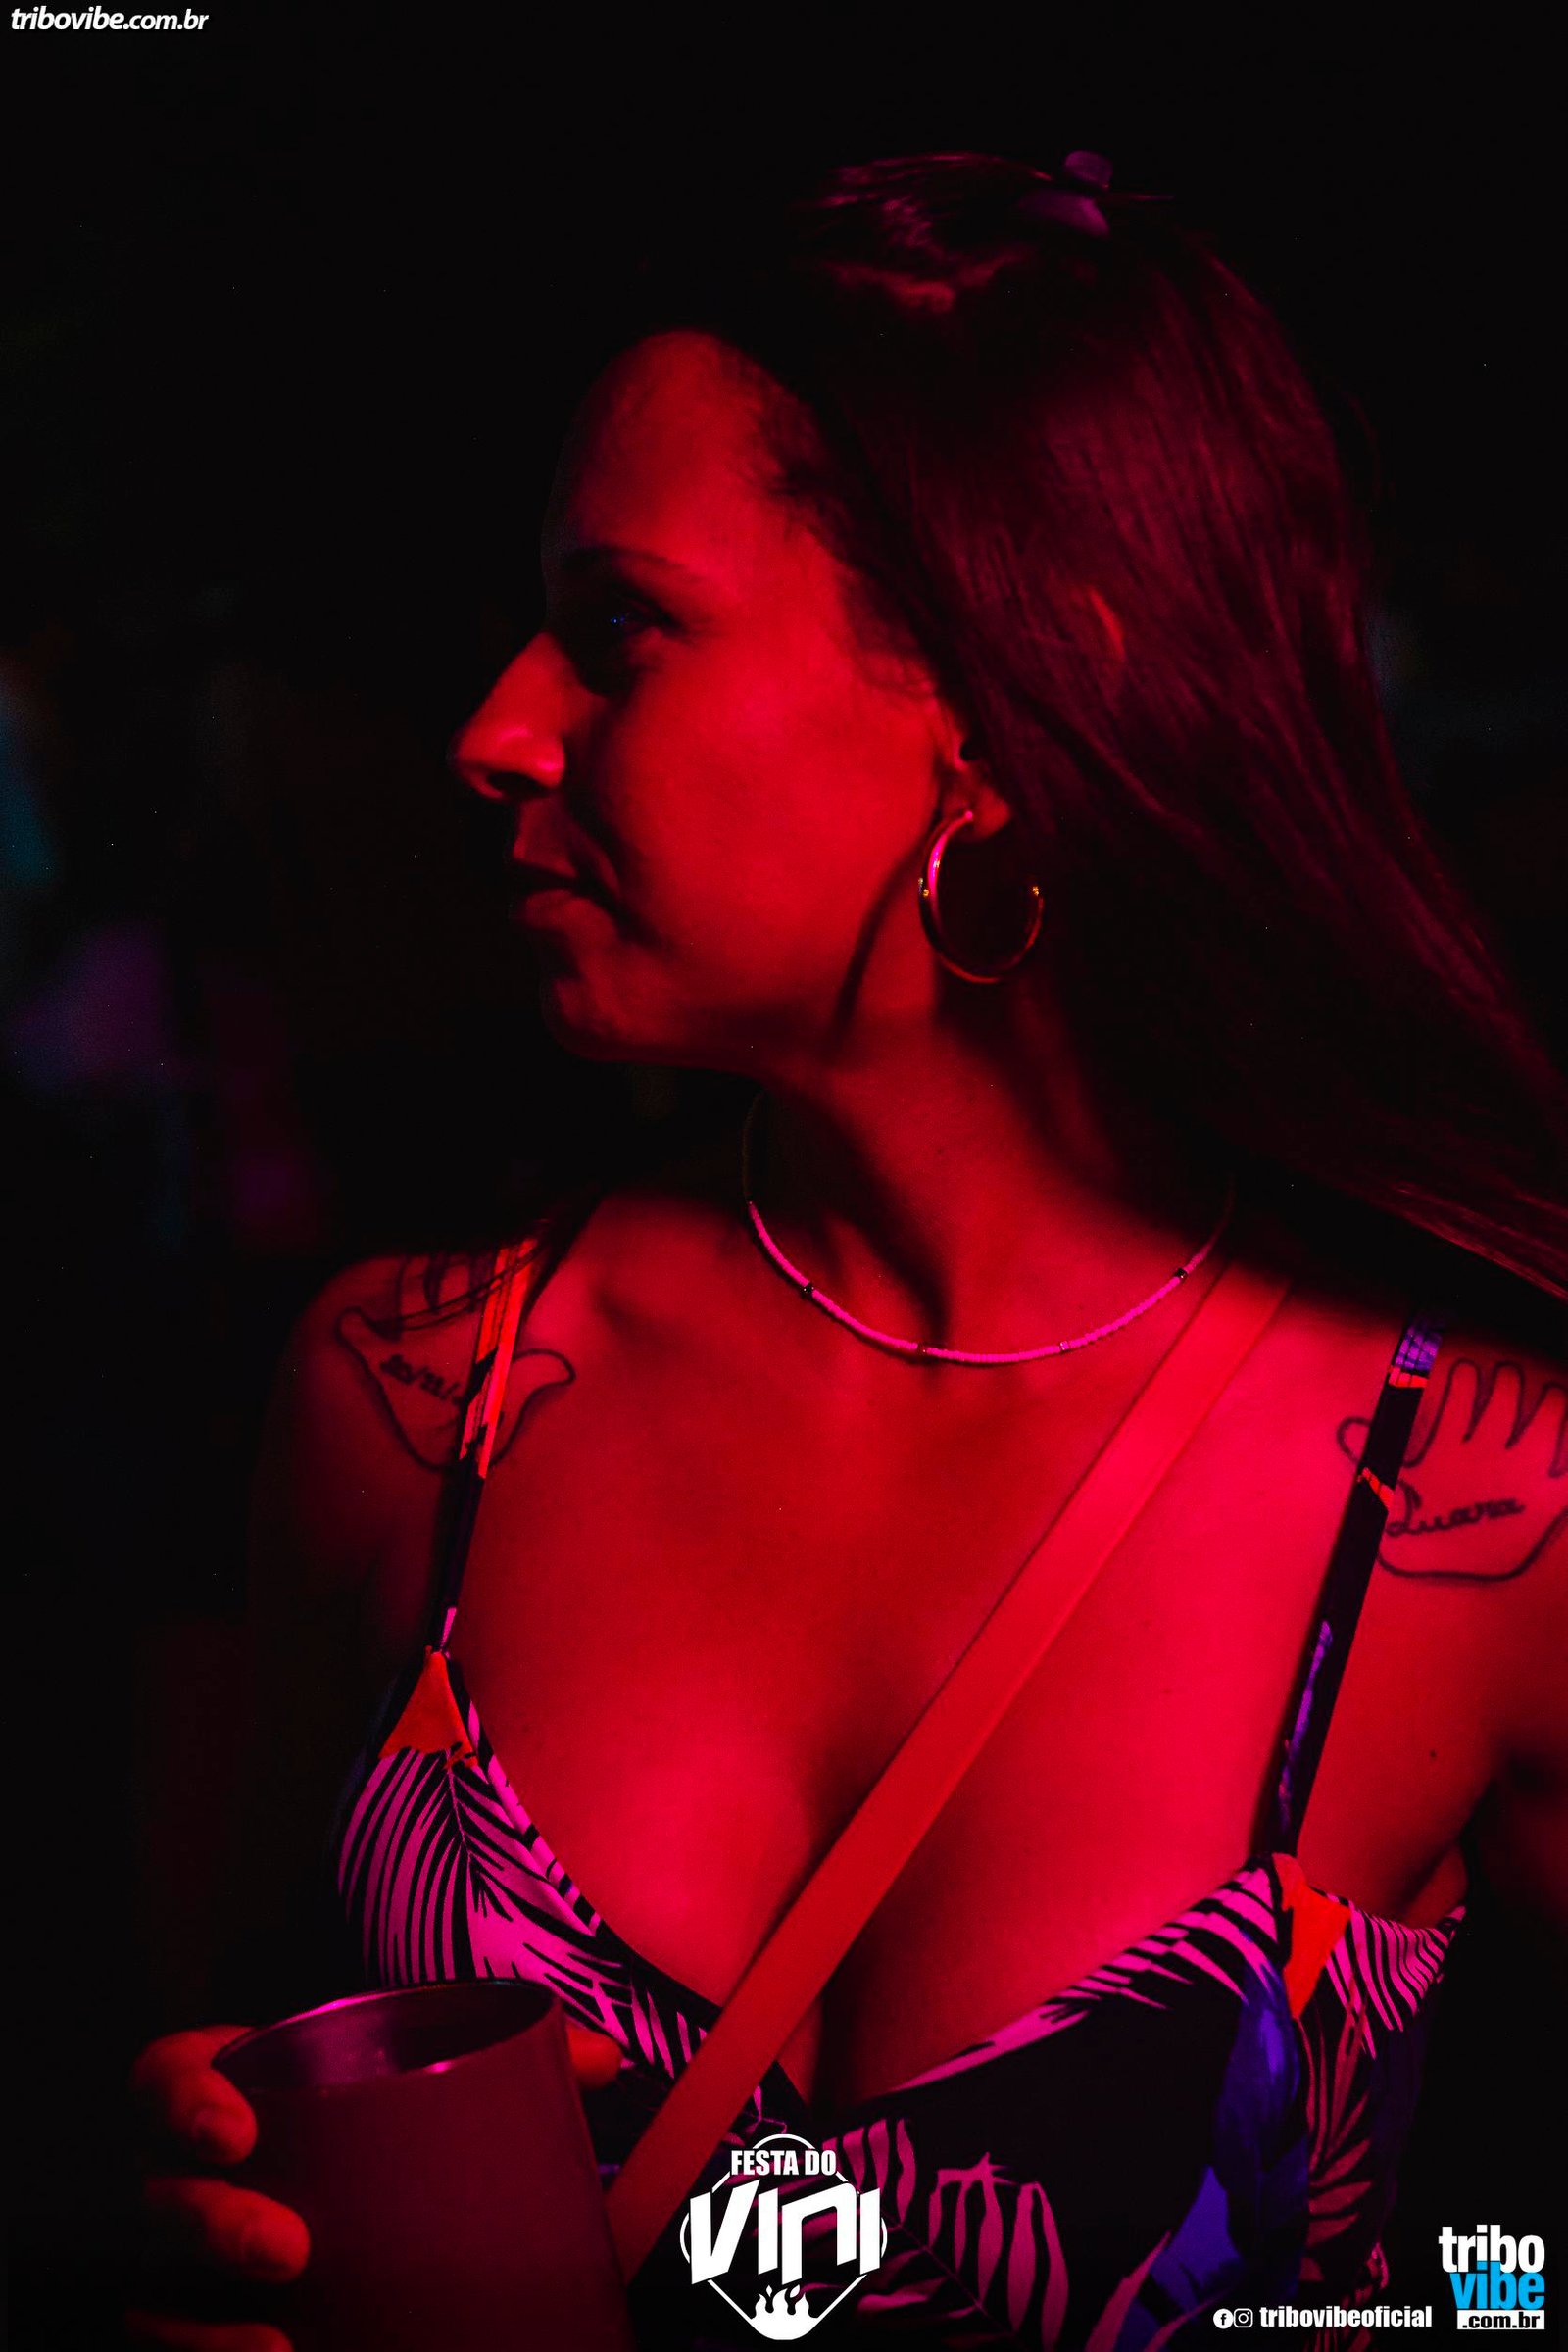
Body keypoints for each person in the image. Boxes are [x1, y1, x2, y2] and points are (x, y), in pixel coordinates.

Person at [129, 153, 1568, 2350]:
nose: (494, 728)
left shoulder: (1475, 1501)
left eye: (620, 627)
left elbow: (1518, 2264)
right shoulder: (412, 1407)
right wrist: (187, 2235)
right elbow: (237, 2077)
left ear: (999, 700)